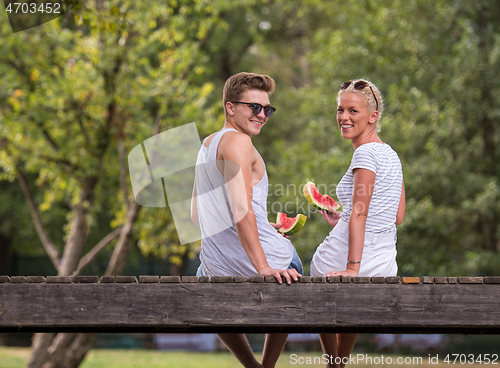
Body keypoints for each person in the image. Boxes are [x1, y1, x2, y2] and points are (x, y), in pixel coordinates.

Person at [191, 72, 303, 368]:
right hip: (271, 264)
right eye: (254, 107)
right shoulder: (240, 142)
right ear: (230, 107)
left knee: (203, 274)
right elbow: (241, 209)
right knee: (292, 267)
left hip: (214, 269)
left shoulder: (207, 145)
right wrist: (263, 266)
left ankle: (252, 366)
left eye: (268, 109)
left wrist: (267, 227)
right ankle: (265, 367)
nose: (262, 115)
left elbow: (195, 214)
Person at [310, 79, 405, 367]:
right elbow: (396, 215)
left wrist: (353, 269)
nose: (344, 117)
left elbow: (361, 213)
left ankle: (333, 362)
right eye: (340, 110)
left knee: (319, 283)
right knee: (347, 324)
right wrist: (341, 219)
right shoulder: (391, 155)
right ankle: (338, 362)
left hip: (349, 263)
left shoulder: (364, 153)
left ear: (373, 116)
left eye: (353, 110)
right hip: (385, 264)